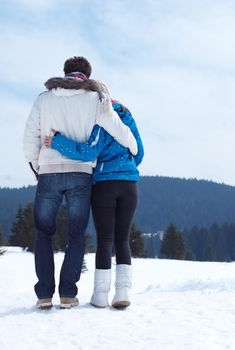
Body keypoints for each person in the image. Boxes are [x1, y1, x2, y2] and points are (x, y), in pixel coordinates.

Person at [23, 56, 138, 310]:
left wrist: (37, 166)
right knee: (75, 235)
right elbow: (116, 127)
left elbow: (29, 138)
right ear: (87, 75)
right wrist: (132, 145)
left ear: (65, 73)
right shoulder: (95, 99)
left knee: (44, 233)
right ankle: (67, 294)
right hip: (81, 175)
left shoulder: (44, 98)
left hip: (48, 171)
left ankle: (44, 295)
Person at [44, 88, 144, 309]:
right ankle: (123, 293)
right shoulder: (128, 119)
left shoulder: (101, 122)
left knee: (105, 240)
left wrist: (58, 141)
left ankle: (100, 295)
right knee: (123, 240)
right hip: (130, 186)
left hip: (105, 187)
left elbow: (87, 152)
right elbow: (140, 153)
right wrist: (125, 170)